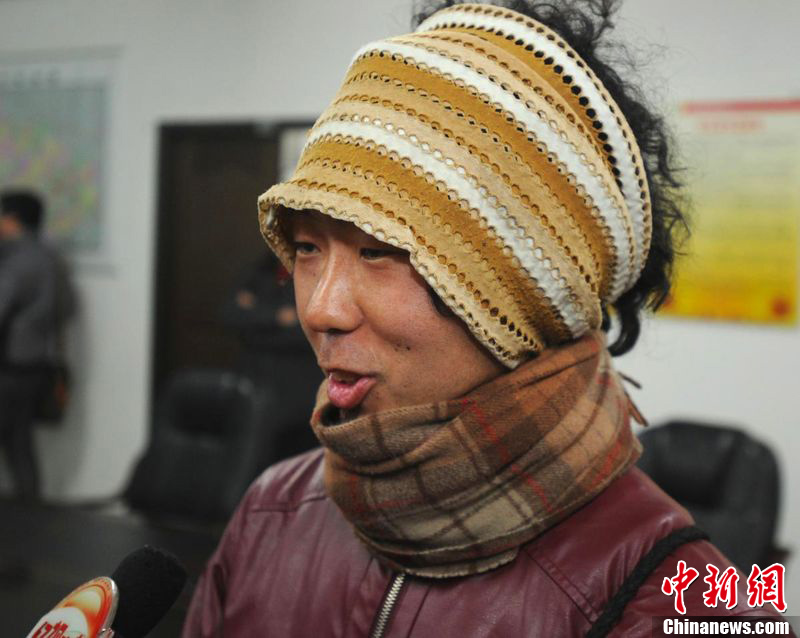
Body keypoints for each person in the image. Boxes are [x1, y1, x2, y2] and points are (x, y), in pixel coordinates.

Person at [183, 1, 793, 635]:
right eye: (307, 248)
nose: (319, 308)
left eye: (380, 252)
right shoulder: (272, 512)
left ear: (523, 294)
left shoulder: (681, 605)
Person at [0, 189, 74, 500]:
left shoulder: (17, 260)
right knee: (20, 441)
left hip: (13, 364)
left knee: (16, 442)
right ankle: (30, 514)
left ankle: (25, 516)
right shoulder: (51, 258)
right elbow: (68, 308)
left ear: (12, 220)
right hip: (39, 362)